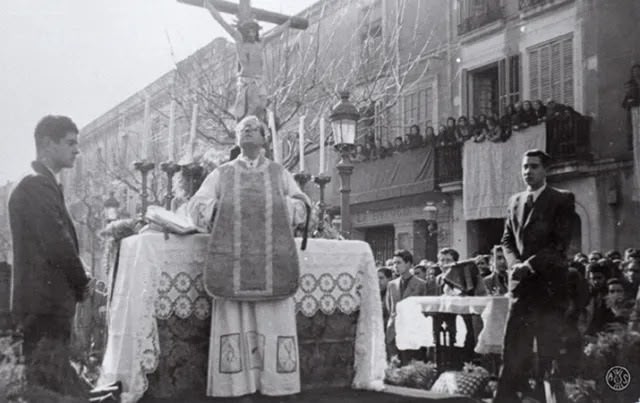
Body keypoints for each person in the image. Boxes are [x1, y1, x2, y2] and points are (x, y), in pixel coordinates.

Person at [187, 115, 310, 397]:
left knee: (272, 323)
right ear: (236, 138)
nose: (248, 132)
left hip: (272, 263)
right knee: (235, 321)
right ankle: (235, 388)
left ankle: (277, 387)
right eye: (243, 129)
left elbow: (302, 204)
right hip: (233, 265)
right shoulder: (223, 173)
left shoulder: (279, 173)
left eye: (254, 129)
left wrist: (280, 206)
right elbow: (197, 205)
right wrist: (220, 209)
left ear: (265, 137)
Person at [8, 115, 93, 398]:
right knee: (49, 390)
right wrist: (83, 282)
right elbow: (58, 243)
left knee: (52, 388)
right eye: (69, 143)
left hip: (44, 304)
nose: (76, 150)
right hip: (45, 306)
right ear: (47, 144)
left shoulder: (41, 183)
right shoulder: (36, 184)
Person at [495, 149, 575, 403]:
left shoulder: (561, 199)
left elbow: (560, 243)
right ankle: (506, 398)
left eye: (534, 166)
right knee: (514, 348)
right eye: (525, 167)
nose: (528, 172)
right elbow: (507, 240)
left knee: (547, 352)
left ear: (546, 170)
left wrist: (529, 265)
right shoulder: (515, 201)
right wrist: (514, 264)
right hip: (521, 288)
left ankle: (546, 398)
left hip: (549, 287)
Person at [384, 249, 426, 362]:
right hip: (394, 329)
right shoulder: (391, 285)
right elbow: (389, 306)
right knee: (395, 362)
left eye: (399, 263)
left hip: (412, 330)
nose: (395, 266)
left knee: (412, 362)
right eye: (393, 263)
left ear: (408, 264)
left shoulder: (421, 284)